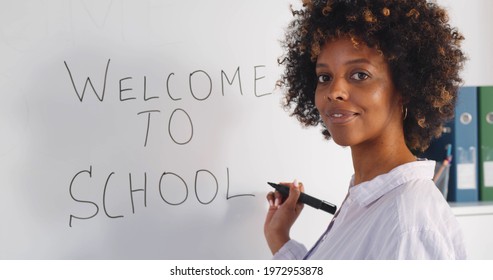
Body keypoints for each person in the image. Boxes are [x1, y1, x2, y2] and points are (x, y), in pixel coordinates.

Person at [264, 0, 467, 259]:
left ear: (404, 89)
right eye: (324, 77)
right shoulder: (368, 198)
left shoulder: (408, 223)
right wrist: (280, 239)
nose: (334, 92)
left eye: (360, 75)